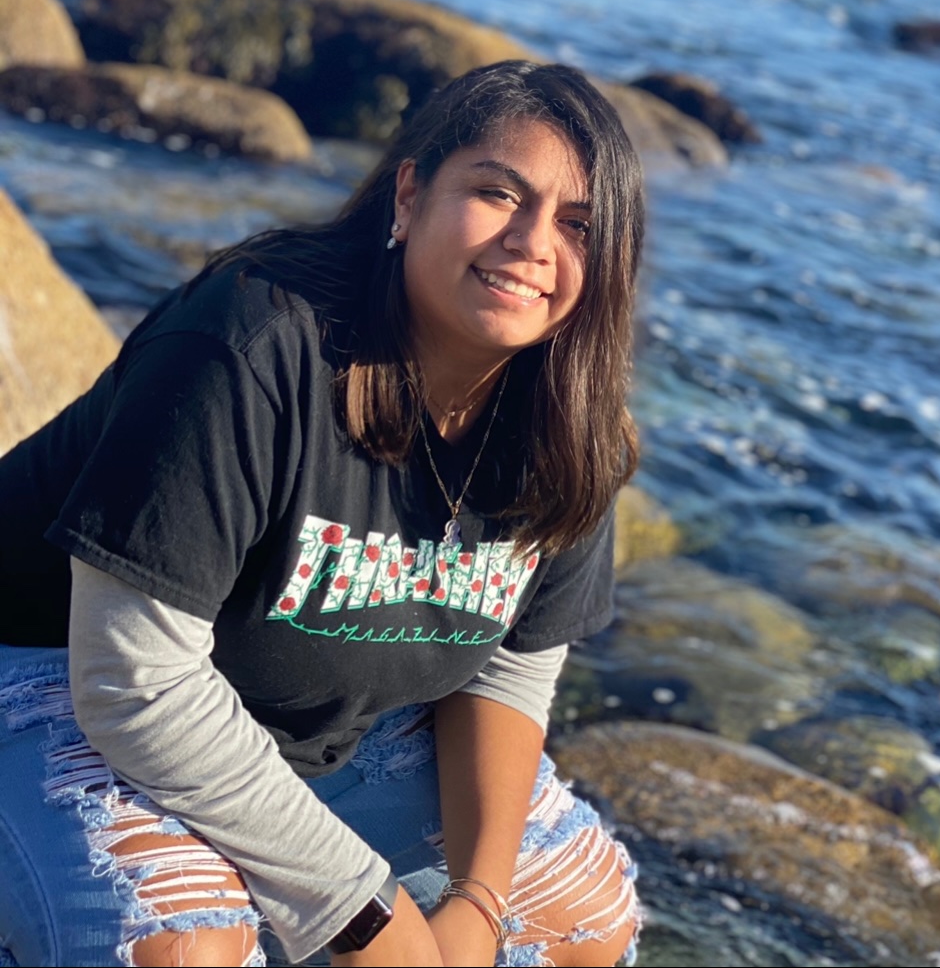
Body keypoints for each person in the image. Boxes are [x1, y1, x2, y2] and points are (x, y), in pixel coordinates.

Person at [0, 61, 644, 968]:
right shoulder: (252, 343)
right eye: (498, 193)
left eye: (579, 226)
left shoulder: (570, 426)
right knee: (178, 946)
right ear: (411, 193)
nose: (533, 243)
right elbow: (132, 678)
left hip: (312, 735)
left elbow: (506, 677)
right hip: (51, 681)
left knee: (583, 918)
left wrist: (479, 906)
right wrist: (359, 912)